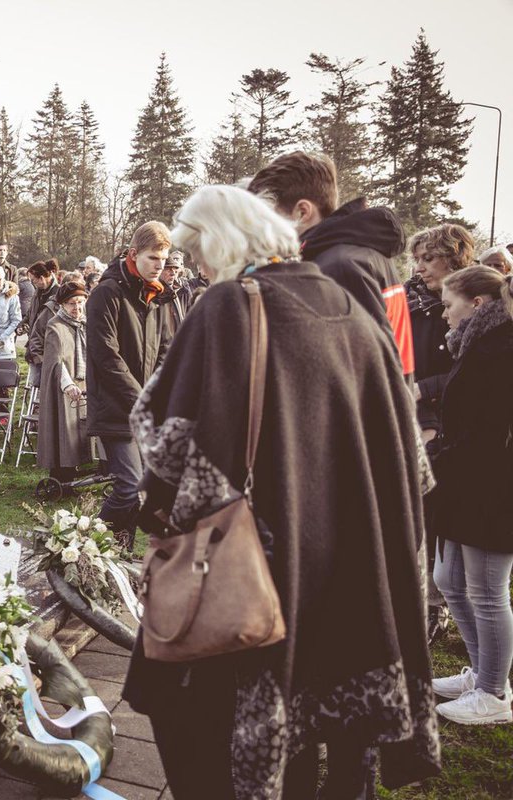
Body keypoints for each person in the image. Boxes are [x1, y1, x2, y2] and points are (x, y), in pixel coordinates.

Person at [126, 185, 440, 799]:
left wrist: (159, 511)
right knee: (320, 733)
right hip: (353, 571)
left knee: (205, 732)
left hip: (256, 572)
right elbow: (408, 459)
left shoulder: (227, 308)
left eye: (199, 254)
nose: (198, 269)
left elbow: (169, 444)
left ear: (223, 242)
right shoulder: (351, 309)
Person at [427, 265, 513, 725]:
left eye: (447, 305)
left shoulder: (500, 350)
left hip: (491, 487)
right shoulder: (475, 343)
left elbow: (487, 430)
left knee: (486, 590)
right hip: (463, 481)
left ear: (477, 303)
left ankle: (494, 692)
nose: (443, 316)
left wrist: (436, 455)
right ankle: (481, 672)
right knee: (449, 580)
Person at [249, 150, 414, 376]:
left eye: (270, 217)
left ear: (302, 212)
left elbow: (357, 373)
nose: (264, 230)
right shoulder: (358, 254)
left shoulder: (339, 267)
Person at [408, 223, 475, 641]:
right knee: (414, 511)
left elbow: (473, 369)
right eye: (417, 258)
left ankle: (440, 605)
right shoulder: (410, 301)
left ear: (453, 257)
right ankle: (419, 598)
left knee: (443, 519)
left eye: (428, 258)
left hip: (456, 424)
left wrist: (428, 394)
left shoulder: (476, 304)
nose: (420, 267)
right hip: (414, 417)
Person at [86, 221, 176, 535]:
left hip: (144, 411)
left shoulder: (158, 298)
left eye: (164, 260)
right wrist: (143, 401)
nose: (159, 266)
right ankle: (81, 547)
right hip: (114, 407)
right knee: (129, 487)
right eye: (153, 258)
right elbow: (106, 356)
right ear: (134, 254)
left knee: (140, 494)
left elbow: (165, 350)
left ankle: (116, 557)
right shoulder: (107, 293)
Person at [37, 280, 93, 486]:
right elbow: (55, 361)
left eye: (80, 302)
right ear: (62, 304)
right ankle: (60, 479)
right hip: (65, 388)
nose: (77, 307)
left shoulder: (87, 324)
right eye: (72, 303)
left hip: (86, 384)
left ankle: (75, 476)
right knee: (64, 432)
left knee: (80, 431)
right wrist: (67, 384)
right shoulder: (56, 326)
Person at [24, 260, 60, 386]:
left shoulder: (58, 294)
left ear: (42, 278)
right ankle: (35, 405)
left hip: (47, 346)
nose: (32, 283)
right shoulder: (38, 292)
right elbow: (31, 313)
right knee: (34, 383)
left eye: (34, 280)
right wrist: (23, 323)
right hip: (35, 344)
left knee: (44, 385)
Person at [159, 251, 187, 336]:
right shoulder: (157, 294)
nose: (172, 272)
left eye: (175, 269)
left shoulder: (181, 291)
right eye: (168, 269)